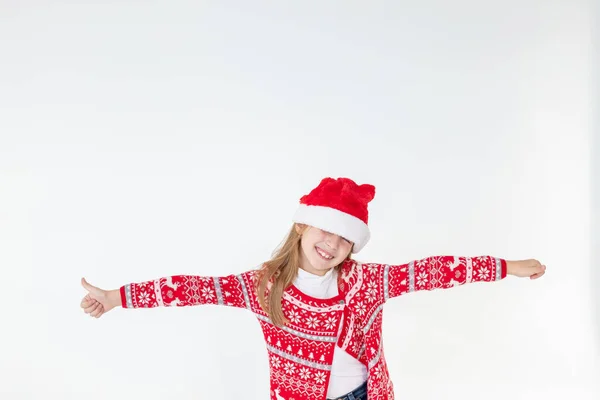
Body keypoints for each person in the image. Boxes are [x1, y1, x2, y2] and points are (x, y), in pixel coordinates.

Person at [80, 177, 546, 400]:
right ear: (303, 225)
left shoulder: (366, 282)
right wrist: (116, 297)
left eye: (346, 238)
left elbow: (436, 270)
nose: (333, 244)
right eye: (327, 230)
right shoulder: (262, 287)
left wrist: (509, 266)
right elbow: (191, 288)